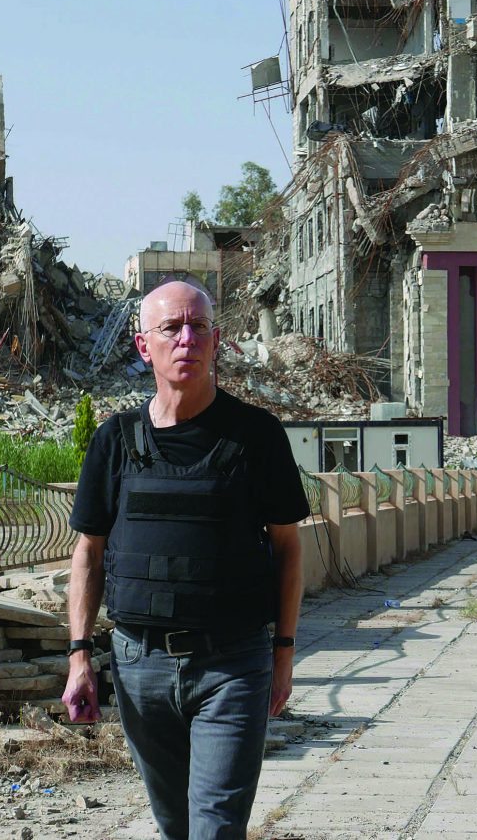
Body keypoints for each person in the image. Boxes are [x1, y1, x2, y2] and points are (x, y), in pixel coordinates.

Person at [62, 280, 308, 840]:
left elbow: (290, 548)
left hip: (233, 665)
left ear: (217, 340)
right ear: (143, 346)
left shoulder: (257, 437)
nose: (187, 339)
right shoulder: (115, 440)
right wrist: (79, 656)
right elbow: (88, 555)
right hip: (139, 667)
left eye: (199, 327)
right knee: (176, 826)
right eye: (171, 328)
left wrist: (284, 651)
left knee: (215, 827)